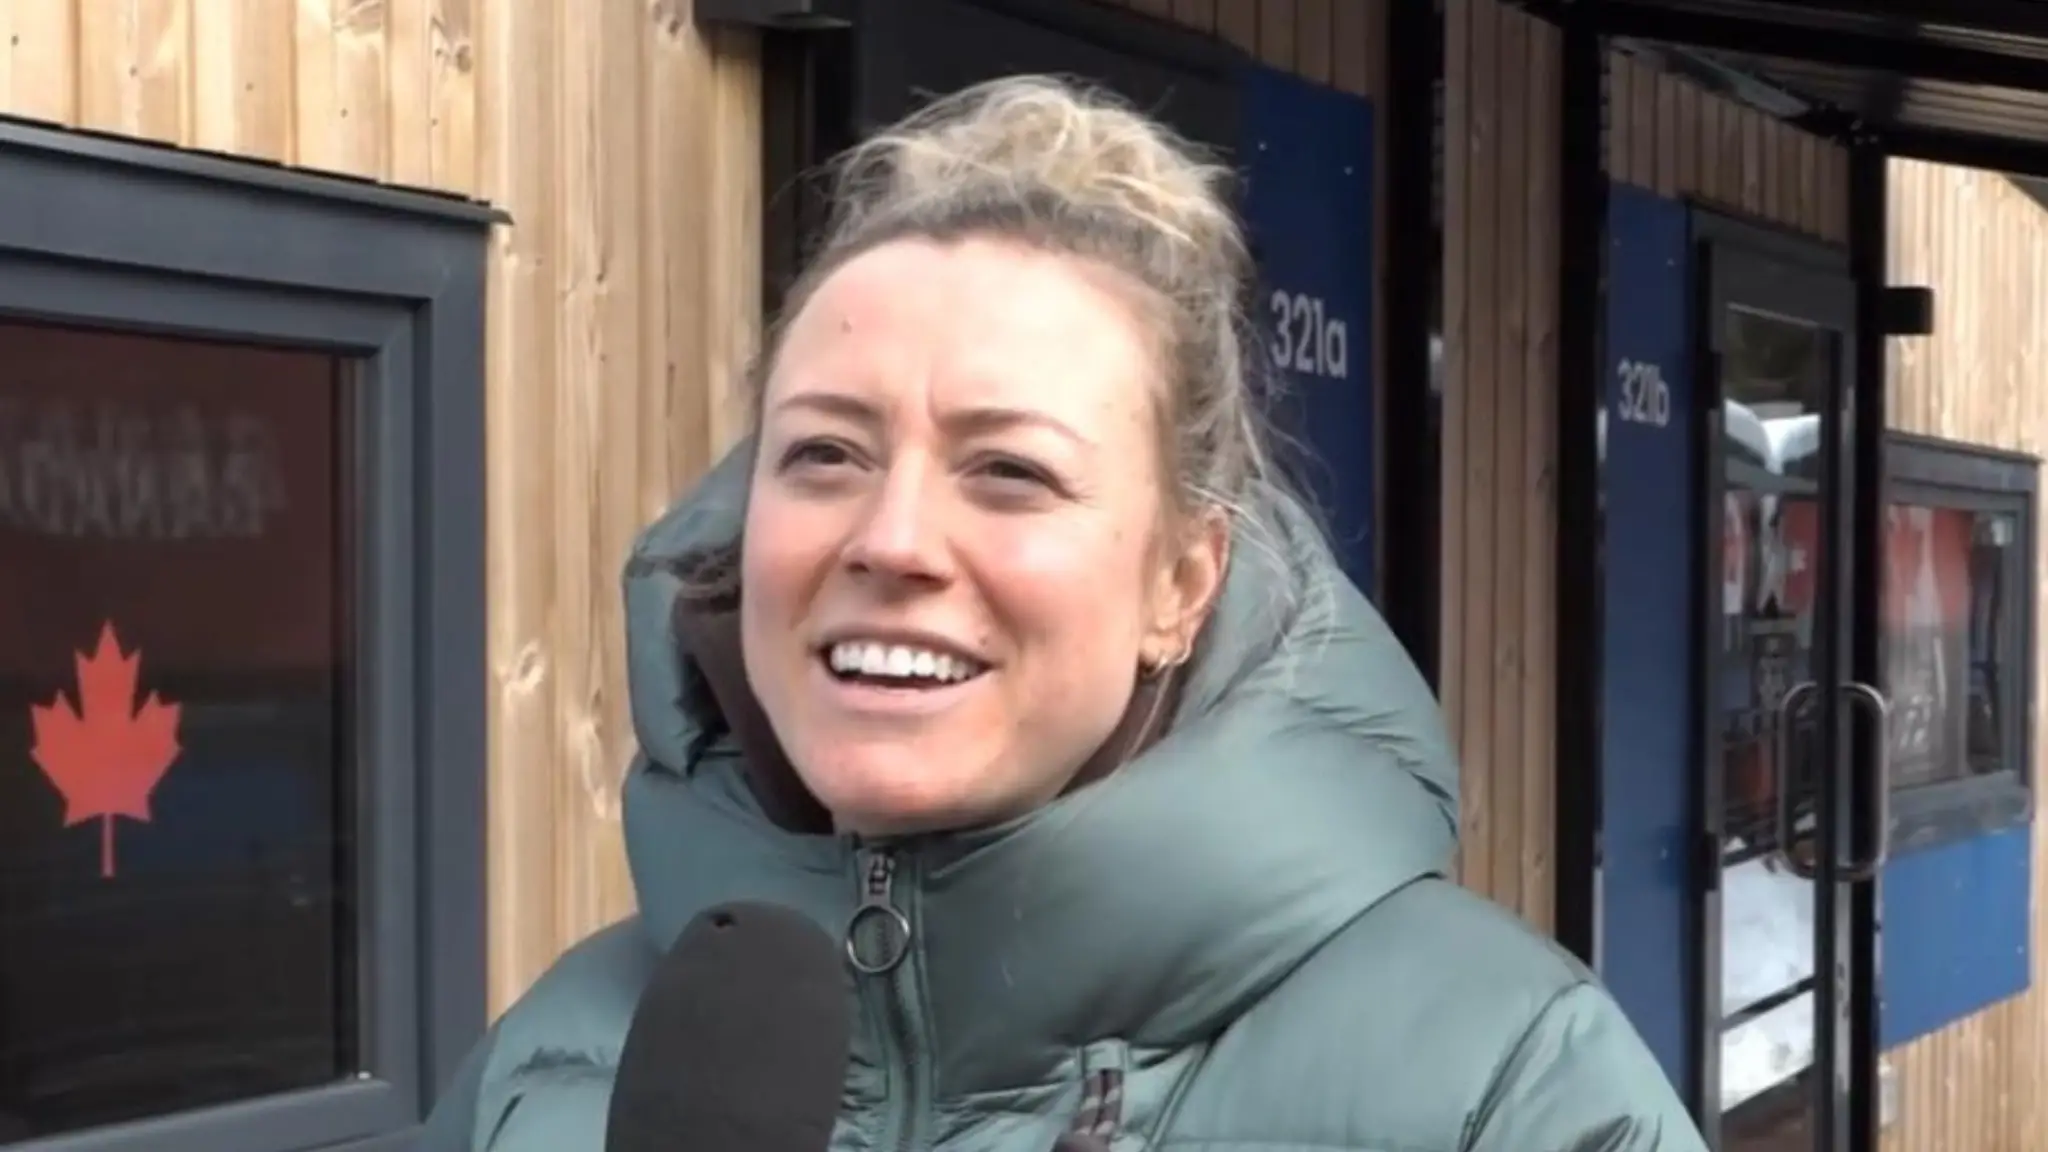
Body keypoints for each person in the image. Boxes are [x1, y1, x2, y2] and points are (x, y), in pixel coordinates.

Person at [421, 75, 1706, 1152]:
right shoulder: (553, 1061)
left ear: (1181, 583)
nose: (890, 539)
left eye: (1009, 471)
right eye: (823, 454)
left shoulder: (1503, 1084)